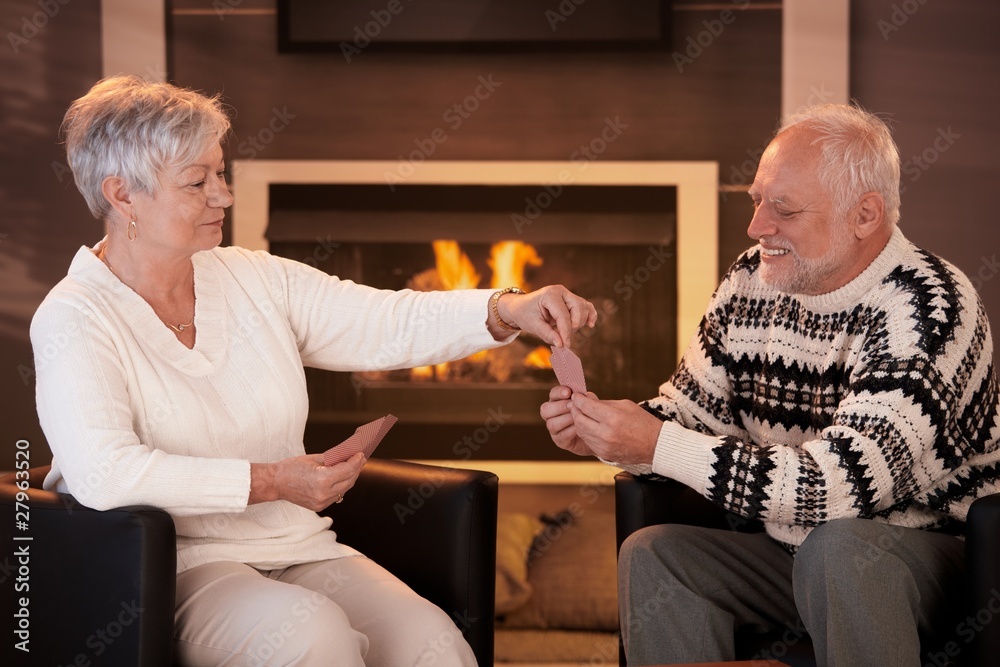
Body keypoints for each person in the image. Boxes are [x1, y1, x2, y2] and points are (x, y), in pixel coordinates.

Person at [32, 74, 597, 667]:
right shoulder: (73, 317)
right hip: (166, 565)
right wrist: (275, 481)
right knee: (314, 637)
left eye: (220, 174)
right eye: (196, 182)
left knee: (434, 644)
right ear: (122, 196)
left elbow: (381, 319)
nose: (222, 197)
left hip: (297, 546)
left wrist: (507, 309)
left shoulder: (252, 277)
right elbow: (107, 475)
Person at [541, 103, 1000, 666]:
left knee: (840, 550)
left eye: (783, 208)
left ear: (865, 215)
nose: (758, 226)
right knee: (655, 554)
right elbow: (690, 415)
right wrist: (607, 430)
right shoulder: (749, 280)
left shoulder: (929, 306)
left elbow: (839, 490)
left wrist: (654, 444)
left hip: (932, 561)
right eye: (756, 200)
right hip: (794, 553)